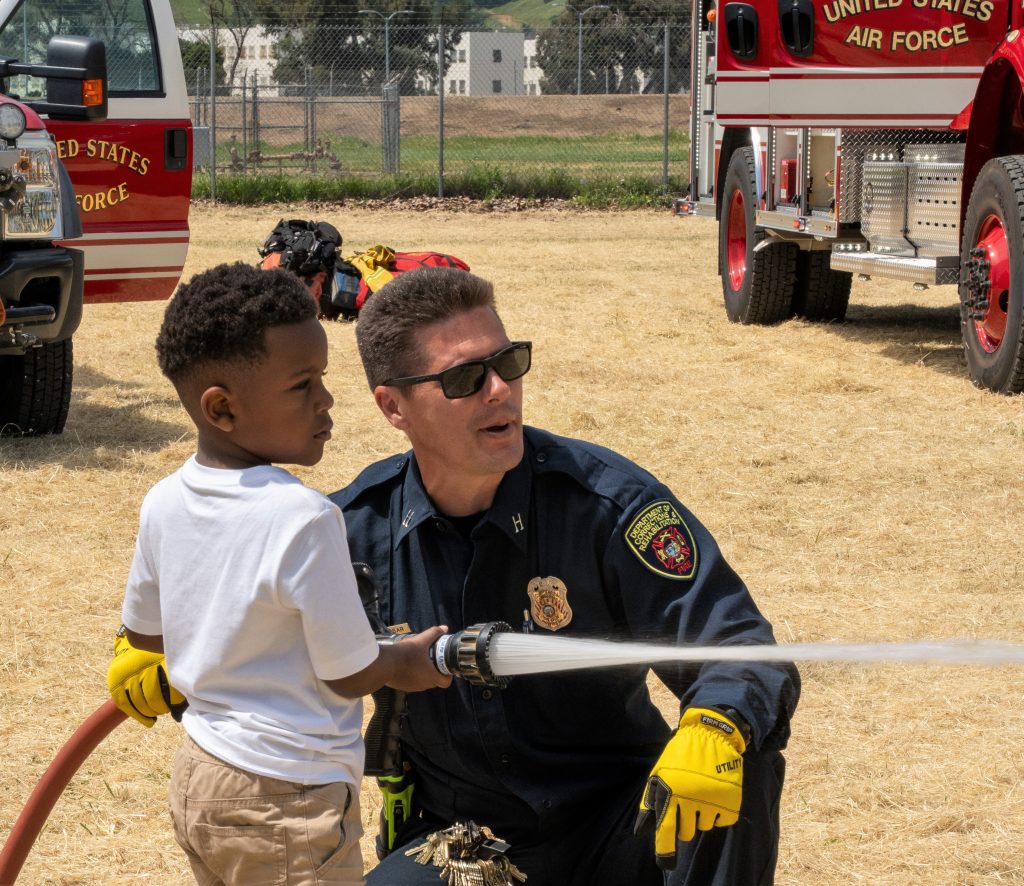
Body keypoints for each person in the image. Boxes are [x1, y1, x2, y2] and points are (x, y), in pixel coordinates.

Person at [327, 266, 801, 886]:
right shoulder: (350, 531)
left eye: (510, 362)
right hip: (466, 847)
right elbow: (259, 632)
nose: (499, 390)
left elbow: (740, 647)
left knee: (742, 748)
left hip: (625, 831)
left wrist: (717, 720)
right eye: (466, 378)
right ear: (394, 406)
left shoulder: (607, 506)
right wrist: (180, 649)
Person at [108, 262, 451, 886]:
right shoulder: (303, 518)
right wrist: (411, 662)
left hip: (201, 778)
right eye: (302, 386)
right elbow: (349, 671)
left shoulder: (163, 499)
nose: (325, 400)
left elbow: (147, 638)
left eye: (321, 378)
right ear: (223, 409)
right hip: (286, 797)